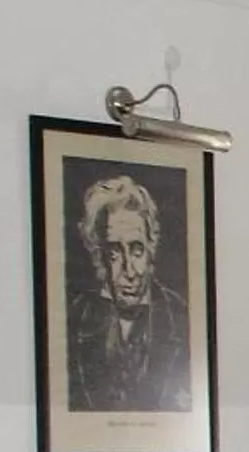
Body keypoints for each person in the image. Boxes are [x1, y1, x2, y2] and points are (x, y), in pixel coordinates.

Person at [67, 173, 192, 413]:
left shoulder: (182, 317)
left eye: (137, 252)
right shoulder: (76, 316)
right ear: (99, 256)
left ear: (150, 250)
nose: (129, 271)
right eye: (114, 253)